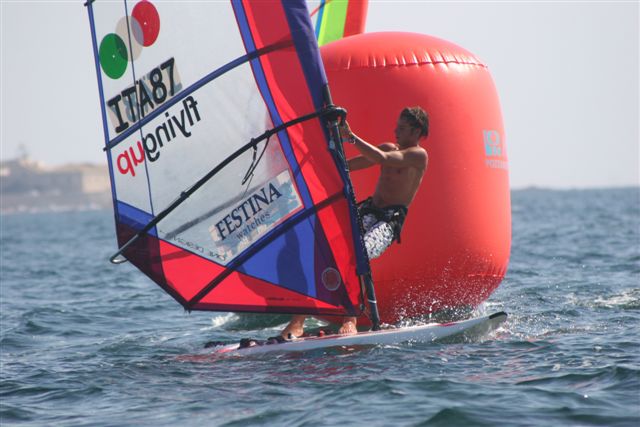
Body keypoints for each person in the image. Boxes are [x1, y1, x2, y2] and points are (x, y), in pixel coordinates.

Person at [280, 106, 429, 339]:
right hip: (368, 211)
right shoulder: (388, 147)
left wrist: (350, 137)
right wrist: (319, 163)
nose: (395, 131)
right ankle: (297, 322)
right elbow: (350, 165)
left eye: (401, 128)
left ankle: (350, 317)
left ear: (416, 130)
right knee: (323, 248)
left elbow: (381, 159)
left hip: (388, 221)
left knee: (359, 254)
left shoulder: (419, 156)